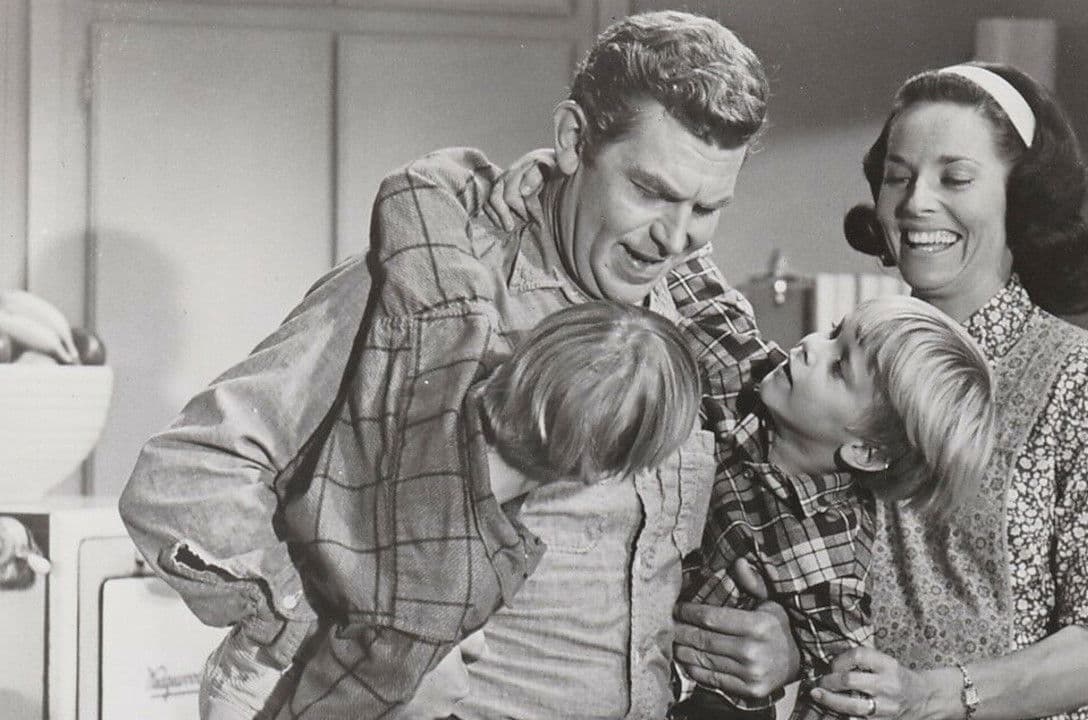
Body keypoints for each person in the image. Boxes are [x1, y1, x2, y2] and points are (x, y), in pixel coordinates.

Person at [119, 10, 793, 719]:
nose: (675, 238)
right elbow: (182, 482)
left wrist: (783, 644)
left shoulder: (695, 320)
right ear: (573, 140)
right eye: (651, 192)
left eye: (707, 208)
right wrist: (362, 640)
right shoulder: (428, 290)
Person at [808, 63, 1088, 719]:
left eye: (955, 178)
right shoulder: (838, 367)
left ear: (1019, 199)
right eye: (898, 177)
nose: (916, 203)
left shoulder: (1087, 377)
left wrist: (935, 696)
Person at [200, 299, 704, 719]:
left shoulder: (432, 383)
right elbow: (344, 700)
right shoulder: (454, 574)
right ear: (598, 471)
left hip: (246, 663)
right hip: (280, 695)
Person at [675, 294, 997, 720]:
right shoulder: (745, 370)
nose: (810, 345)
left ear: (865, 451)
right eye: (832, 333)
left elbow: (845, 692)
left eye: (838, 367)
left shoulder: (833, 557)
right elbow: (697, 291)